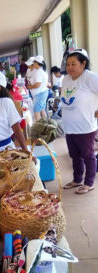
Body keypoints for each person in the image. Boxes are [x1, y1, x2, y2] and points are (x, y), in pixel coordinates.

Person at [61, 48, 98, 194]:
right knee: (74, 155)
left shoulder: (90, 77)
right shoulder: (66, 79)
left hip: (85, 126)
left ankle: (89, 183)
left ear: (83, 64)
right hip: (70, 126)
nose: (69, 67)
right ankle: (77, 179)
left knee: (88, 155)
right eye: (68, 64)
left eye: (73, 64)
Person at [27, 55, 48, 121]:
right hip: (42, 93)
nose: (33, 64)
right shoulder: (41, 70)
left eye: (34, 63)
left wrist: (30, 87)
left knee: (37, 112)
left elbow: (37, 84)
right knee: (42, 111)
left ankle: (40, 129)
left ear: (36, 63)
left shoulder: (39, 71)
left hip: (39, 94)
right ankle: (46, 126)